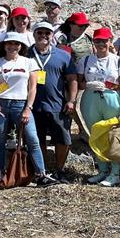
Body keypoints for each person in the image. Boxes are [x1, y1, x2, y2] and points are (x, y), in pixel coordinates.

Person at [0, 32, 57, 187]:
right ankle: (0, 172)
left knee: (32, 139)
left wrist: (28, 108)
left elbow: (32, 88)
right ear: (4, 45)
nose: (12, 46)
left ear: (21, 46)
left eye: (16, 44)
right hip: (1, 103)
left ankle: (41, 173)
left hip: (21, 104)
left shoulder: (28, 62)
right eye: (9, 43)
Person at [77, 27, 120, 187]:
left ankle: (115, 172)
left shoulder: (118, 60)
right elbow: (78, 82)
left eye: (104, 41)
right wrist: (87, 84)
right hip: (90, 99)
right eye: (97, 40)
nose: (101, 44)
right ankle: (102, 170)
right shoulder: (85, 60)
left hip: (111, 98)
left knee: (113, 134)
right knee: (95, 133)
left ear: (110, 41)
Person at [28, 21, 78, 182]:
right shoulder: (25, 54)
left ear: (52, 36)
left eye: (47, 33)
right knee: (38, 139)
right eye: (39, 33)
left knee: (63, 139)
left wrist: (71, 100)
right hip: (33, 106)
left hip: (57, 104)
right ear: (34, 34)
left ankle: (59, 169)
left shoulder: (63, 55)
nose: (43, 36)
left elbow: (72, 79)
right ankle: (43, 171)